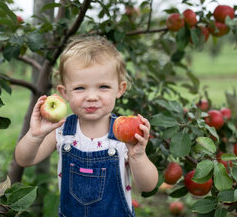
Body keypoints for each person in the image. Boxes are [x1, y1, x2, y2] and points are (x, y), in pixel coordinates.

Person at [15, 35, 158, 217]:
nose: (91, 96)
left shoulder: (125, 137)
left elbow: (148, 186)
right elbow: (24, 159)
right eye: (80, 88)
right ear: (64, 92)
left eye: (103, 87)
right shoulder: (62, 131)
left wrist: (138, 156)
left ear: (120, 89)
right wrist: (35, 136)